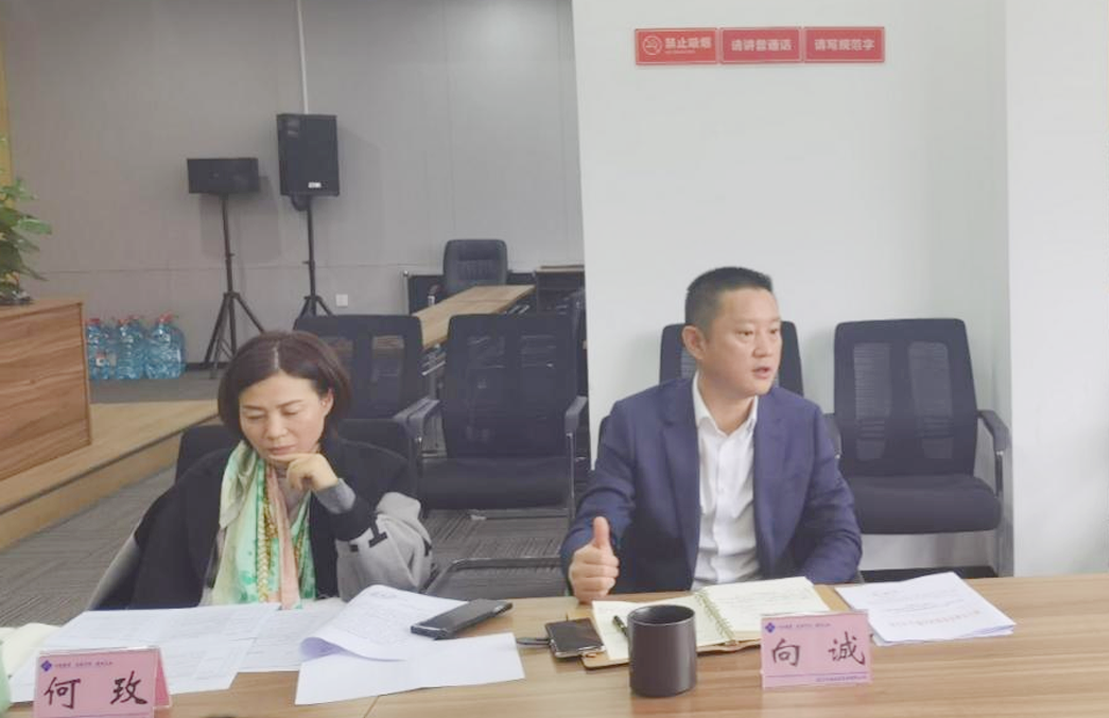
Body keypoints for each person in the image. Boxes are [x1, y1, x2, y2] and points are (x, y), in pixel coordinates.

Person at [562, 267, 860, 602]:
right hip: (670, 611)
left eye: (774, 331)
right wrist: (584, 563)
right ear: (696, 342)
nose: (766, 349)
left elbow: (840, 534)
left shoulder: (803, 422)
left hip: (770, 610)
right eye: (746, 333)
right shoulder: (635, 421)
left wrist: (796, 596)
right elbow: (597, 519)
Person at [129, 331, 432, 608]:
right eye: (254, 415)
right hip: (221, 636)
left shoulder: (382, 470)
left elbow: (403, 584)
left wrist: (340, 500)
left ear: (326, 401)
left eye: (291, 412)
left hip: (335, 635)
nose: (274, 432)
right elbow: (158, 590)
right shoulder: (210, 478)